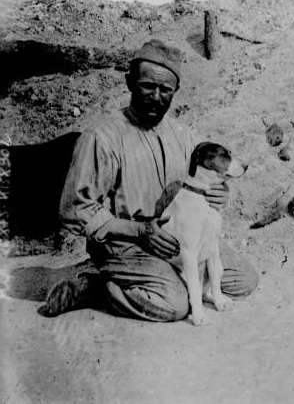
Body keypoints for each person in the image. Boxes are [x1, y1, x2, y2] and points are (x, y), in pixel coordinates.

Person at [39, 39, 259, 320]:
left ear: (175, 91)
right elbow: (75, 209)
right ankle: (96, 285)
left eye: (165, 89)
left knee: (243, 279)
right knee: (175, 304)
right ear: (130, 82)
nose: (156, 96)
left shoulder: (183, 134)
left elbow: (208, 177)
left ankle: (145, 279)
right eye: (147, 86)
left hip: (176, 239)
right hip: (126, 243)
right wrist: (138, 231)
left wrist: (221, 194)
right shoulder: (102, 138)